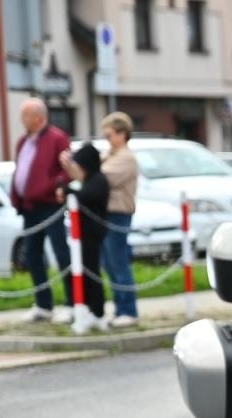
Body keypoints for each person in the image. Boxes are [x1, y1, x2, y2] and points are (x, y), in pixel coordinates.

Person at [10, 98, 73, 324]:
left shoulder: (57, 138)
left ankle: (72, 303)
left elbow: (68, 169)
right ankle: (43, 304)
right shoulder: (23, 141)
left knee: (61, 253)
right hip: (29, 207)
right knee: (33, 256)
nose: (22, 120)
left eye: (25, 115)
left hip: (50, 206)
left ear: (38, 116)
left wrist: (58, 185)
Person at [98, 112, 141, 329]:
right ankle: (119, 308)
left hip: (118, 214)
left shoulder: (125, 157)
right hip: (107, 214)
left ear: (122, 134)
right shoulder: (111, 154)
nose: (107, 140)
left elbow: (101, 178)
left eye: (110, 135)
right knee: (110, 264)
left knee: (118, 262)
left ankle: (128, 310)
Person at [62, 142, 109, 326]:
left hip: (92, 234)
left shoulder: (98, 180)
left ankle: (97, 311)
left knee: (91, 271)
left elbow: (85, 196)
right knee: (83, 271)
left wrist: (68, 191)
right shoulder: (90, 179)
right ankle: (88, 307)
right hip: (83, 234)